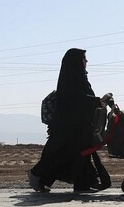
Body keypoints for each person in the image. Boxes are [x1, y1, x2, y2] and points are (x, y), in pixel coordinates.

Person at [28, 48, 111, 193]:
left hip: (78, 126)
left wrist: (98, 102)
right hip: (68, 127)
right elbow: (78, 99)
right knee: (61, 155)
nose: (86, 61)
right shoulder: (71, 79)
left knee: (78, 155)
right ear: (76, 61)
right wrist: (98, 101)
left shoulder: (78, 77)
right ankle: (37, 174)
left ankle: (83, 184)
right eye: (84, 58)